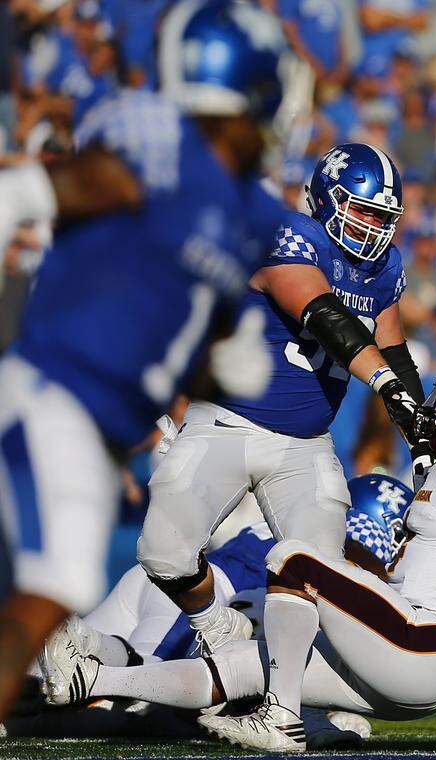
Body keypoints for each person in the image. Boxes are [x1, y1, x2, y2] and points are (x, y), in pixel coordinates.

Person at [43, 358, 436, 752]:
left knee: (295, 556)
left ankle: (280, 714)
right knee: (252, 661)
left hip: (424, 644)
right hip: (411, 655)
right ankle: (97, 677)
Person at [0, 0, 291, 720]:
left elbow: (191, 334)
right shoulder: (162, 151)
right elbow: (46, 189)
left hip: (97, 427)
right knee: (46, 593)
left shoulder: (254, 214)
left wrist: (222, 364)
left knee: (45, 597)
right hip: (53, 392)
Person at [133, 142, 428, 749]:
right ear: (324, 200)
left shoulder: (386, 267)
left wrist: (419, 429)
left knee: (312, 577)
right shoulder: (287, 234)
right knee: (163, 554)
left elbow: (393, 346)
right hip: (229, 424)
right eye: (361, 210)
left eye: (382, 216)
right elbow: (324, 315)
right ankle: (216, 624)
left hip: (305, 446)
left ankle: (285, 710)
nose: (372, 227)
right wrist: (386, 384)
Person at [24, 474, 413, 748]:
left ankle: (64, 646)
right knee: (134, 705)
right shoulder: (335, 547)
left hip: (180, 591)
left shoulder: (308, 519)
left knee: (38, 683)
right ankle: (72, 645)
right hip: (197, 601)